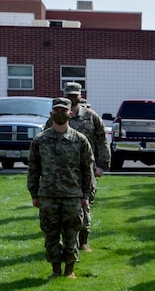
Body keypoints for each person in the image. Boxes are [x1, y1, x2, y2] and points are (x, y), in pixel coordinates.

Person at [28, 97, 94, 280]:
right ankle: (55, 270)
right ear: (51, 114)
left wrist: (87, 194)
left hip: (73, 195)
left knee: (71, 234)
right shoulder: (40, 140)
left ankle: (69, 270)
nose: (60, 113)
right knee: (51, 234)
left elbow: (87, 170)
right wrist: (34, 194)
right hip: (48, 195)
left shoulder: (80, 140)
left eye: (63, 111)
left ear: (70, 114)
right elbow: (33, 169)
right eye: (56, 110)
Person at [44, 82, 109, 251]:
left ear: (80, 95)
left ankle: (84, 241)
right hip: (60, 171)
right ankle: (63, 243)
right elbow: (44, 140)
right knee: (62, 207)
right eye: (69, 94)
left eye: (75, 94)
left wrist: (102, 165)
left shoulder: (91, 116)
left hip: (85, 168)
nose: (72, 97)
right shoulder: (57, 116)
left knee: (85, 203)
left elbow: (102, 140)